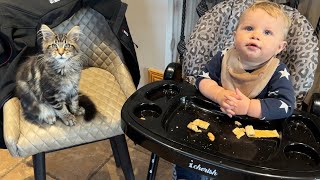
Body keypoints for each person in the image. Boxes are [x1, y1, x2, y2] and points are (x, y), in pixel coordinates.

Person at [175, 1, 295, 179]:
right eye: (248, 28)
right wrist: (219, 94)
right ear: (234, 35)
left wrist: (248, 107)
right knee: (187, 155)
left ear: (280, 47)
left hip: (253, 140)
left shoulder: (277, 72)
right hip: (214, 124)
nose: (255, 35)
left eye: (267, 32)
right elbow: (202, 80)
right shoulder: (224, 57)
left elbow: (286, 105)